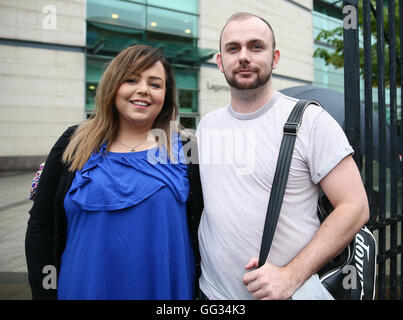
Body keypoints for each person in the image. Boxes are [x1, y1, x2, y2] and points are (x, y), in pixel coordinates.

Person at [196, 12, 369, 300]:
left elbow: (355, 207)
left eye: (256, 46)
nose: (243, 57)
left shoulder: (311, 121)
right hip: (211, 294)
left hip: (288, 294)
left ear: (275, 58)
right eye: (233, 48)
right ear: (220, 61)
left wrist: (290, 275)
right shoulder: (207, 125)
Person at [25, 45, 203, 300]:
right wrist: (44, 292)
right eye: (131, 79)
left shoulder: (187, 148)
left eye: (155, 84)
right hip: (83, 288)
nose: (143, 89)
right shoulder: (73, 142)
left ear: (166, 95)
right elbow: (42, 224)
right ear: (113, 85)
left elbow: (211, 220)